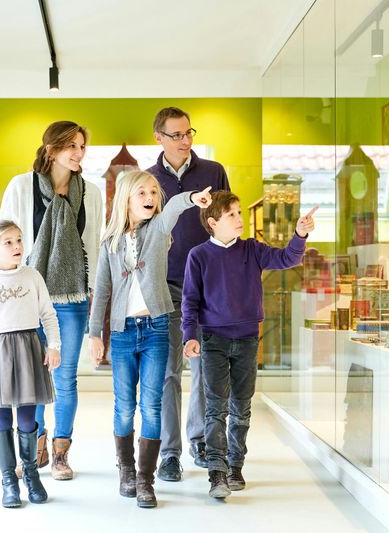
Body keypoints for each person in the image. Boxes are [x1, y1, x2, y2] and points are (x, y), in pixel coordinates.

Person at [88, 170, 212, 508]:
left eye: (153, 192)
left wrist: (193, 198)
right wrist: (95, 334)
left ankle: (145, 479)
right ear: (126, 199)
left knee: (151, 405)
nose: (150, 197)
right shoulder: (110, 243)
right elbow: (102, 292)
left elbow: (174, 207)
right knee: (124, 406)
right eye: (141, 192)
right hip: (122, 333)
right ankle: (126, 471)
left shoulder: (158, 229)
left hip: (156, 328)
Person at [182, 191, 315, 499]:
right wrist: (190, 335)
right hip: (212, 340)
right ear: (213, 222)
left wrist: (300, 235)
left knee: (241, 407)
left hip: (247, 339)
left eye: (239, 212)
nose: (239, 219)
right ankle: (216, 472)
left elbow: (288, 258)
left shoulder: (252, 249)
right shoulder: (198, 256)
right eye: (232, 215)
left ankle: (235, 466)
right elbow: (190, 301)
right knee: (215, 408)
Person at [0, 120, 103, 480]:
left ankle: (61, 453)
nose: (78, 153)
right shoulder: (21, 186)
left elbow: (93, 246)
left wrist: (94, 295)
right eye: (71, 146)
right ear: (51, 149)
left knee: (65, 376)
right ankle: (36, 446)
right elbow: (4, 238)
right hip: (28, 296)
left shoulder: (90, 192)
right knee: (34, 377)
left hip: (72, 297)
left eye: (82, 146)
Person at [146, 106, 231, 481]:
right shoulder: (147, 179)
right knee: (168, 372)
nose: (185, 141)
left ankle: (199, 442)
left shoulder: (213, 172)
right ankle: (169, 452)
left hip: (207, 286)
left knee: (204, 369)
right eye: (177, 135)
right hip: (163, 285)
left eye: (189, 133)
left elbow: (228, 222)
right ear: (159, 138)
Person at [0, 220, 61, 508]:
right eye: (8, 242)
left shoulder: (32, 276)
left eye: (19, 240)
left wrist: (53, 346)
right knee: (2, 419)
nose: (17, 246)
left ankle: (31, 474)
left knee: (29, 418)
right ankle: (8, 480)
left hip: (28, 349)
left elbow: (48, 314)